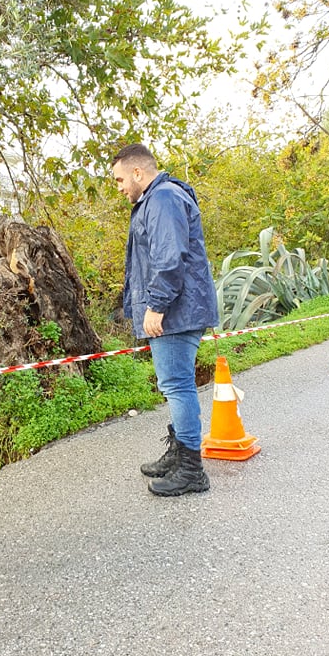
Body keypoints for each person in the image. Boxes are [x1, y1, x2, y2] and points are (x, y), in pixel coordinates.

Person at [111, 144, 219, 496]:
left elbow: (170, 257)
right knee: (175, 384)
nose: (119, 187)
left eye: (120, 180)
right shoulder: (157, 199)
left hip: (175, 311)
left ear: (138, 173)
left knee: (177, 386)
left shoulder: (162, 199)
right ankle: (179, 454)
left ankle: (191, 470)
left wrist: (155, 306)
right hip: (178, 308)